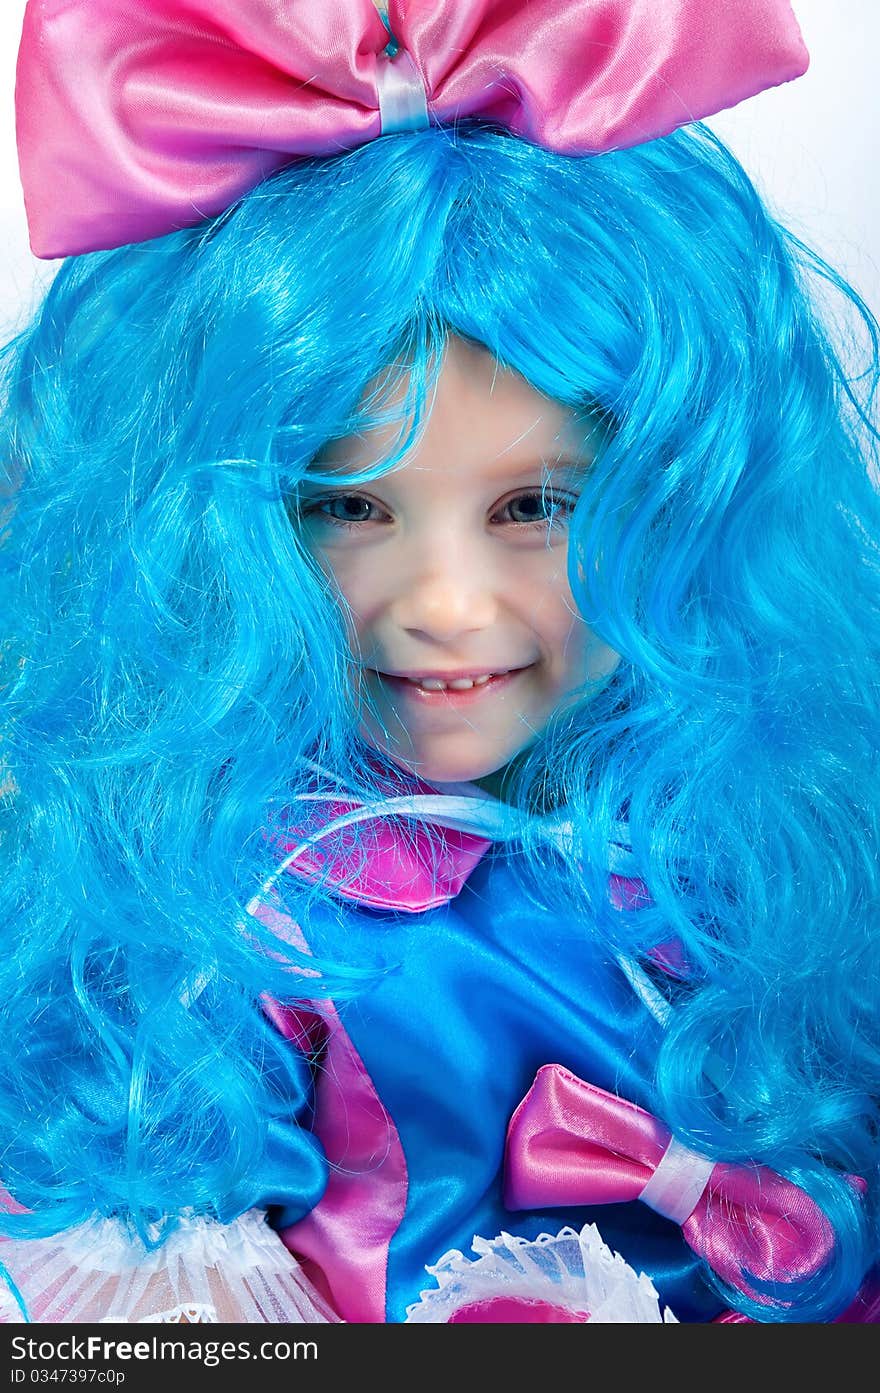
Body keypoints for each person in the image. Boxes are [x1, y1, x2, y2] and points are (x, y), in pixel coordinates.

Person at [1, 0, 878, 1324]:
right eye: (345, 506)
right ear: (206, 538)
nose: (447, 606)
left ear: (688, 512)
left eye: (536, 506)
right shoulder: (247, 923)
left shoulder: (760, 849)